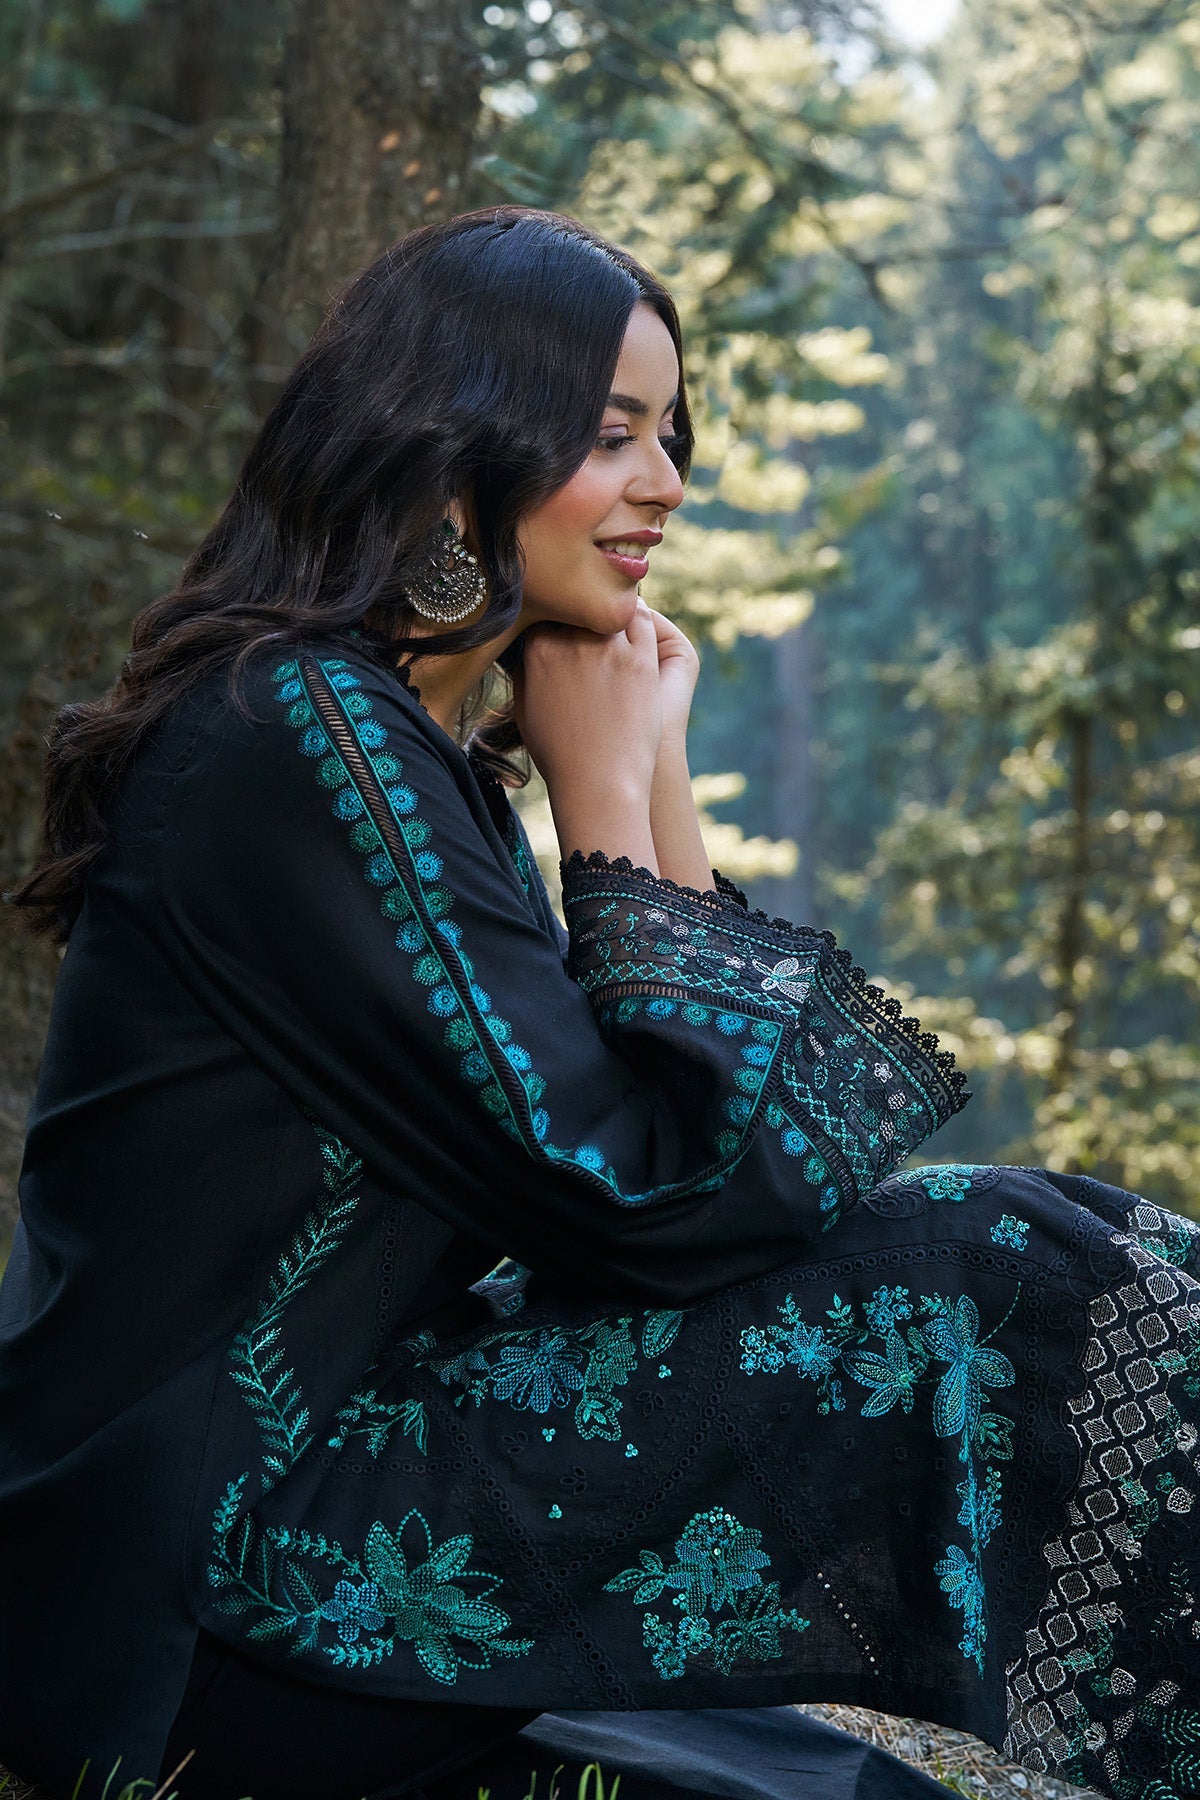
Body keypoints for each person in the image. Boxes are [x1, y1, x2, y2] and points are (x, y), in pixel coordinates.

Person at [1, 206, 1197, 1800]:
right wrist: (606, 800)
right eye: (612, 431)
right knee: (988, 1263)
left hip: (339, 1491)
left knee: (1039, 1244)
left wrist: (649, 775)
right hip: (203, 1578)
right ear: (451, 448)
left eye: (670, 434)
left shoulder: (398, 755)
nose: (667, 482)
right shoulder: (301, 738)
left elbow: (746, 1169)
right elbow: (658, 1199)